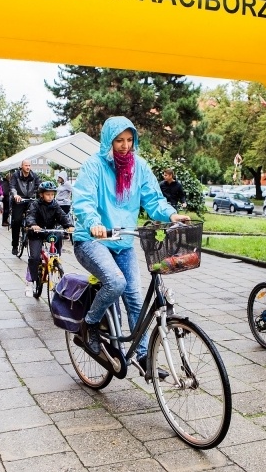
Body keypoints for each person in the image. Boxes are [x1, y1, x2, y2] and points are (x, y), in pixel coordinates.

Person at [73, 116, 189, 380]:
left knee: (136, 299)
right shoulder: (93, 166)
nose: (125, 146)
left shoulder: (139, 167)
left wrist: (171, 215)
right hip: (92, 240)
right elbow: (84, 200)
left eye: (129, 140)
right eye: (119, 140)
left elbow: (153, 198)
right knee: (115, 283)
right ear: (108, 141)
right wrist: (93, 223)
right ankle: (89, 325)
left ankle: (143, 354)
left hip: (122, 240)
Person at [24, 181, 74, 297]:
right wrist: (32, 225)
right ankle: (30, 281)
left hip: (48, 231)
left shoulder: (55, 205)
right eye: (48, 194)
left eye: (52, 194)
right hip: (36, 232)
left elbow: (62, 216)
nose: (50, 197)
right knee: (35, 257)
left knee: (59, 234)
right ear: (41, 194)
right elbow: (30, 215)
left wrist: (69, 225)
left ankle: (55, 257)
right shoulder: (35, 204)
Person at [9, 160, 41, 255]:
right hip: (19, 200)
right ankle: (15, 245)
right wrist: (15, 195)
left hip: (30, 200)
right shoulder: (16, 175)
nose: (28, 167)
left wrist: (39, 196)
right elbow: (12, 186)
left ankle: (36, 241)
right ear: (22, 166)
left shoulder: (34, 176)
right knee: (17, 221)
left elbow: (39, 187)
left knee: (36, 219)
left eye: (29, 165)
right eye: (26, 165)